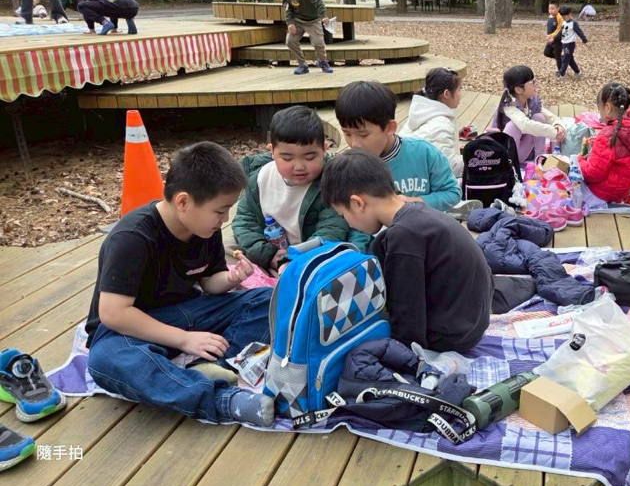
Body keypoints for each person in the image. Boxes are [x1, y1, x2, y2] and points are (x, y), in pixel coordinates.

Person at [85, 142, 276, 427]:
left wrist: (232, 278)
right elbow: (114, 314)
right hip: (132, 329)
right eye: (220, 211)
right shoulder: (132, 237)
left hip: (189, 311)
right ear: (183, 202)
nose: (224, 220)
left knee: (271, 299)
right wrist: (185, 340)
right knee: (106, 359)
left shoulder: (203, 227)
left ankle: (214, 367)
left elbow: (209, 283)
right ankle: (223, 400)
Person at [321, 150, 535, 352]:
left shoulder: (404, 236)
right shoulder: (416, 214)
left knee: (360, 330)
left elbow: (407, 316)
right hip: (472, 322)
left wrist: (403, 354)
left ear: (357, 203)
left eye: (343, 215)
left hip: (452, 337)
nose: (348, 223)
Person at [232, 106, 368, 273]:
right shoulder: (260, 178)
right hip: (269, 253)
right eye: (287, 158)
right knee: (229, 250)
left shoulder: (333, 181)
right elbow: (244, 221)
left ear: (324, 149)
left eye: (310, 157)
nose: (299, 166)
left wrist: (293, 259)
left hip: (311, 257)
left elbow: (331, 230)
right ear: (272, 151)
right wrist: (268, 255)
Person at [335, 81, 461, 211]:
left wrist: (415, 202)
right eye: (347, 134)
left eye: (363, 135)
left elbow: (452, 193)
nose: (354, 144)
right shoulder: (347, 168)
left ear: (390, 128)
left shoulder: (424, 153)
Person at [578, 82, 630, 204]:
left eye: (600, 109)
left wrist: (580, 161)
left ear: (607, 107)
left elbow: (592, 174)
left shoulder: (608, 134)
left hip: (605, 192)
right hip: (628, 187)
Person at [492, 65, 565, 164]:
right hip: (506, 153)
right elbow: (525, 125)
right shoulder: (508, 106)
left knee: (538, 117)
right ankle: (511, 165)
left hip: (523, 151)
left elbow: (547, 115)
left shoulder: (530, 101)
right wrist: (553, 133)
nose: (535, 84)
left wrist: (558, 124)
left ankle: (539, 159)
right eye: (532, 82)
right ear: (519, 90)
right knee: (514, 125)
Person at [399, 68, 464, 176]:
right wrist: (473, 159)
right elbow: (449, 168)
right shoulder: (441, 126)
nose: (460, 94)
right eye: (459, 90)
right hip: (418, 180)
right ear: (446, 94)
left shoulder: (422, 113)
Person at [277, 0, 332, 74]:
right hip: (297, 20)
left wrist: (323, 16)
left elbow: (317, 0)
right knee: (290, 41)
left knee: (318, 43)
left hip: (312, 20)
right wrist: (290, 23)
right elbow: (287, 7)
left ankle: (323, 61)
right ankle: (302, 64)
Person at [557, 5, 588, 78]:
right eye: (562, 17)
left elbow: (579, 31)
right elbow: (562, 31)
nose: (563, 18)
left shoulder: (573, 23)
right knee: (570, 59)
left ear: (569, 14)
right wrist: (555, 38)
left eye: (564, 17)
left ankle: (561, 74)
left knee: (565, 59)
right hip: (564, 43)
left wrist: (584, 39)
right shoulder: (564, 22)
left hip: (570, 44)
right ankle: (577, 72)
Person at [545, 1, 563, 74]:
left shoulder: (559, 17)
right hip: (550, 40)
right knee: (547, 53)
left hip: (557, 40)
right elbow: (549, 28)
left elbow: (559, 29)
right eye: (549, 8)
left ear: (558, 9)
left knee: (557, 56)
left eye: (553, 8)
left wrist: (552, 37)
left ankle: (561, 72)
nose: (551, 10)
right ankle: (563, 59)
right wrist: (547, 36)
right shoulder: (550, 17)